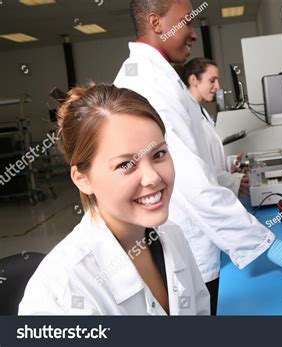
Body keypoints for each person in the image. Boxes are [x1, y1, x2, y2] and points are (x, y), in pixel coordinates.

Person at [115, 0, 282, 315]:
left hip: (191, 238)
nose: (193, 33)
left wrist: (228, 181)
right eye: (186, 22)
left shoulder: (163, 79)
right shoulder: (148, 85)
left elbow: (197, 165)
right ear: (156, 23)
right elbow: (188, 178)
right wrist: (265, 242)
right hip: (182, 245)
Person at [18, 84, 210, 315]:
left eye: (158, 154)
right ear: (82, 179)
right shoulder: (62, 293)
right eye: (126, 164)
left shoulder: (172, 236)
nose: (152, 177)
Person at [177, 57, 248, 198]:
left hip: (216, 189)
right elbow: (199, 168)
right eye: (212, 80)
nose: (218, 86)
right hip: (205, 196)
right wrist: (234, 180)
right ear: (193, 80)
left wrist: (230, 163)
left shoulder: (201, 111)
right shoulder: (186, 115)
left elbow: (210, 157)